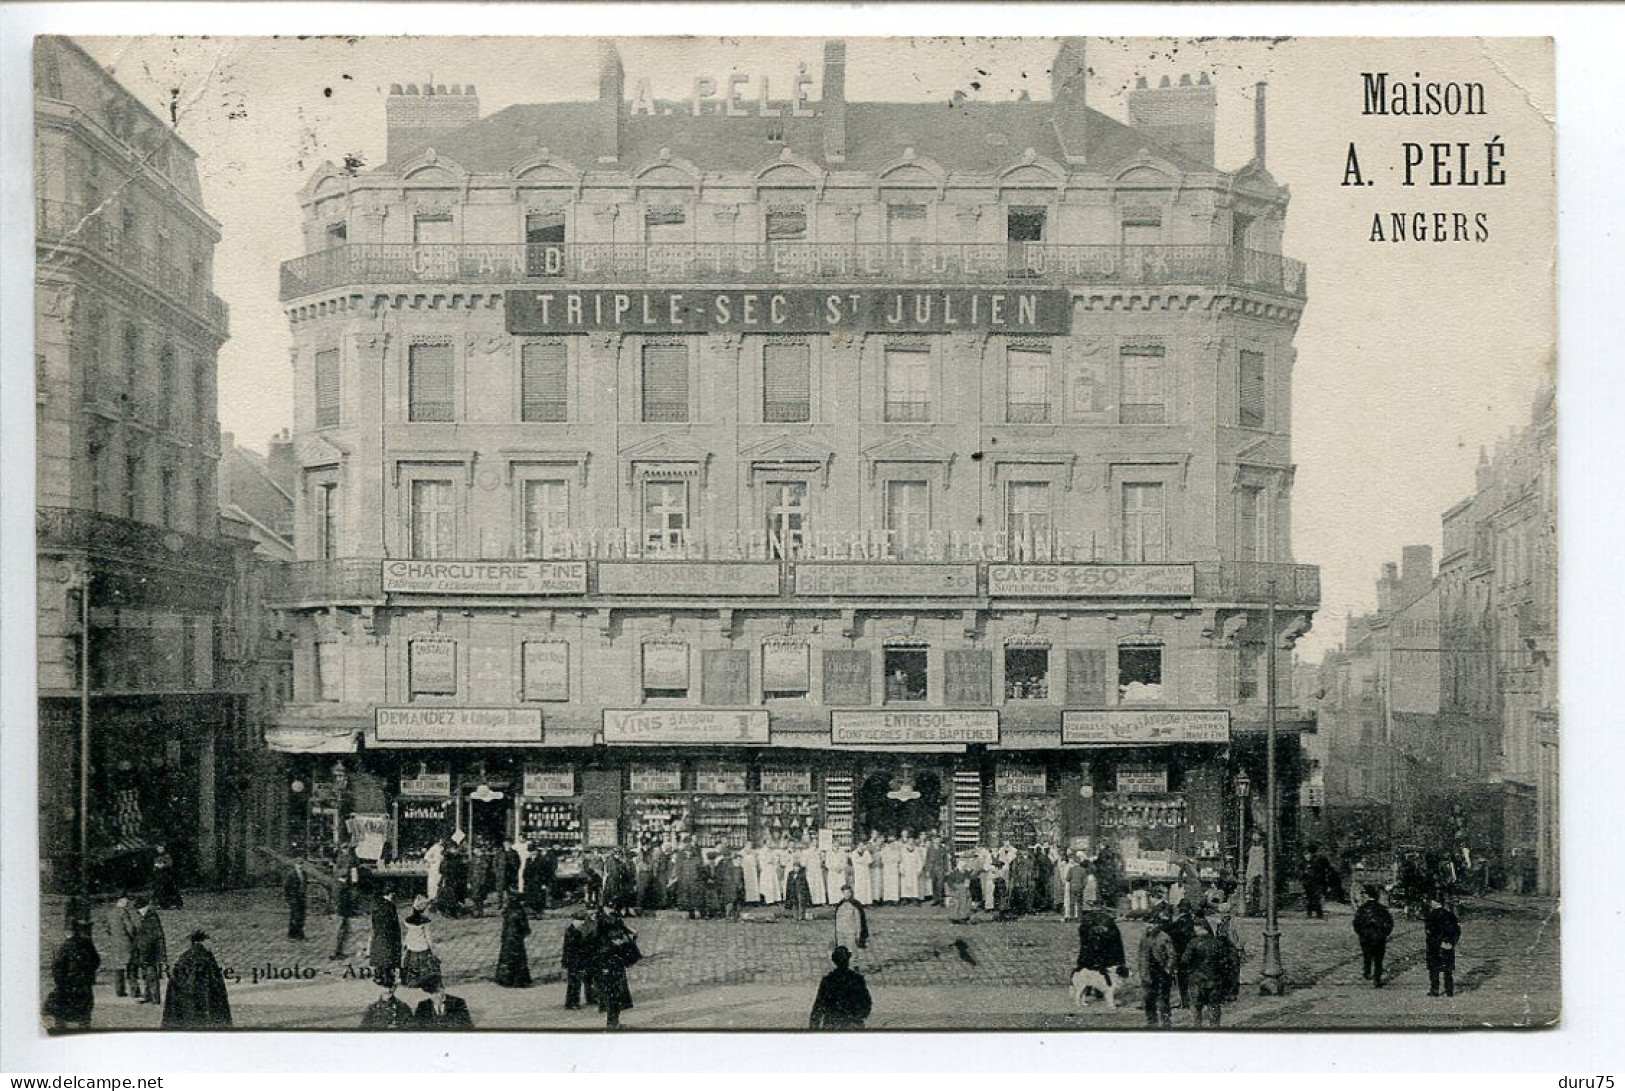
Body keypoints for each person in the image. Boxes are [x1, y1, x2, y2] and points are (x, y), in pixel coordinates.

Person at [161, 930, 232, 1028]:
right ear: (201, 942)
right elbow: (200, 982)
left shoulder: (185, 956)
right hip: (199, 1000)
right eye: (209, 942)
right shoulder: (204, 957)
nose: (211, 945)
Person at [44, 919, 100, 1032]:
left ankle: (61, 1032)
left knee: (62, 1010)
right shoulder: (88, 944)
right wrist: (88, 973)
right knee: (84, 1012)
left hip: (68, 983)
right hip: (84, 983)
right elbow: (96, 961)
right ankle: (84, 1031)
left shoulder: (66, 946)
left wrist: (59, 981)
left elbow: (58, 966)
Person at [590, 908, 641, 1029]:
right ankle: (612, 1023)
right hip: (607, 967)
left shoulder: (614, 921)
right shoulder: (602, 928)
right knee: (612, 996)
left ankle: (614, 1022)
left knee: (617, 996)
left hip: (615, 965)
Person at [1074, 905, 1127, 1009]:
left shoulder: (1091, 920)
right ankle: (1092, 990)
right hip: (1097, 951)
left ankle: (1095, 990)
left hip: (1095, 951)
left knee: (1097, 972)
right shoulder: (1105, 920)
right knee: (1093, 972)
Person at [808, 946, 873, 1030]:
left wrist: (814, 1027)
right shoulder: (857, 979)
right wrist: (859, 1016)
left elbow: (819, 1005)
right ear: (848, 960)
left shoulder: (828, 980)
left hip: (832, 1023)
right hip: (853, 1023)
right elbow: (866, 1002)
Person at [1182, 918, 1229, 1027]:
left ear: (1198, 928)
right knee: (1214, 1008)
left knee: (1196, 1010)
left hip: (1197, 980)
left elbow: (1185, 960)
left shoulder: (1193, 943)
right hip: (1214, 980)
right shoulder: (1217, 943)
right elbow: (1225, 962)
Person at [1137, 918, 1177, 1029]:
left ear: (1157, 924)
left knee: (1163, 1000)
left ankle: (1166, 1023)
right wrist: (1141, 970)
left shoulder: (1164, 937)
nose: (1149, 926)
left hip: (1161, 972)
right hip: (1147, 973)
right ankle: (1151, 1022)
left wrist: (1168, 969)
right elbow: (1141, 955)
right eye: (1147, 923)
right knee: (1148, 998)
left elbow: (1172, 955)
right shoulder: (1144, 937)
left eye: (1152, 924)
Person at [1353, 885, 1395, 988]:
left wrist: (1361, 933)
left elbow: (1356, 923)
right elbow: (1390, 923)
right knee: (1378, 959)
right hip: (1379, 937)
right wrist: (1384, 934)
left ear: (1367, 896)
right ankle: (1377, 978)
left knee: (1367, 955)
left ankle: (1367, 972)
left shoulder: (1362, 909)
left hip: (1366, 936)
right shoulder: (1382, 909)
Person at [399, 895, 440, 990]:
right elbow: (428, 936)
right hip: (422, 946)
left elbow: (408, 935)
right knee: (425, 966)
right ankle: (426, 981)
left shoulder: (408, 921)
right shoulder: (425, 922)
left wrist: (405, 944)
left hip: (412, 946)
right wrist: (432, 947)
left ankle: (411, 980)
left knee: (411, 965)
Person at [1424, 895, 1461, 998]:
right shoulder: (1450, 915)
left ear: (1435, 903)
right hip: (1447, 945)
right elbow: (1457, 931)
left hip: (1434, 946)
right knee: (1447, 970)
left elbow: (1429, 932)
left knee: (1434, 970)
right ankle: (1449, 990)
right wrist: (1451, 942)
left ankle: (1434, 990)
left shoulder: (1431, 916)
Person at [103, 894, 138, 999]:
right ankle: (134, 990)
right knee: (131, 966)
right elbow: (130, 928)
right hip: (126, 942)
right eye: (126, 900)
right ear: (121, 900)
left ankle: (119, 990)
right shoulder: (123, 912)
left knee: (118, 967)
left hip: (115, 943)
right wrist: (134, 937)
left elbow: (107, 929)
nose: (128, 902)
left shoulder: (110, 913)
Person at [133, 897, 166, 1005]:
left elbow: (156, 937)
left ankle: (155, 999)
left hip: (150, 951)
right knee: (146, 975)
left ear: (145, 907)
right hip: (143, 951)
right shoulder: (144, 917)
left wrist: (160, 955)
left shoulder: (151, 917)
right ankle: (148, 996)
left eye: (140, 909)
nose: (138, 911)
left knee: (152, 976)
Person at [331, 842, 361, 960]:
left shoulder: (346, 859)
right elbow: (354, 880)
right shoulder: (341, 885)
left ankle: (339, 950)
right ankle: (337, 952)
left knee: (344, 928)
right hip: (340, 908)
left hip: (342, 906)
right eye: (344, 848)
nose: (346, 850)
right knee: (341, 928)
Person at [1164, 902, 1197, 1009]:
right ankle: (1192, 1000)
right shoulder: (1192, 921)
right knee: (1191, 978)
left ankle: (1185, 1001)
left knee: (1182, 979)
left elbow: (1168, 931)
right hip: (1192, 953)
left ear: (1180, 910)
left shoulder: (1179, 922)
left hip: (1181, 954)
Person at [367, 889, 403, 986]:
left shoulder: (376, 905)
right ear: (390, 894)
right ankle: (388, 977)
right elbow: (395, 922)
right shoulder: (391, 906)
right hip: (389, 933)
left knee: (380, 954)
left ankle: (378, 976)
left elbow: (373, 921)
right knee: (389, 956)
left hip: (378, 933)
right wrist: (397, 934)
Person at [495, 894, 532, 987]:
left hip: (507, 939)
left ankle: (505, 979)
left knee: (506, 958)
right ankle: (519, 980)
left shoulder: (507, 913)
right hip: (517, 939)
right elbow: (525, 928)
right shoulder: (519, 913)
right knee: (519, 959)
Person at [562, 912, 593, 1010]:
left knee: (576, 982)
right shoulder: (571, 931)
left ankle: (573, 1002)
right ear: (575, 920)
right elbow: (570, 948)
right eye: (580, 920)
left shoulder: (576, 931)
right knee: (574, 983)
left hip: (577, 960)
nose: (582, 922)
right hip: (573, 960)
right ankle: (572, 1002)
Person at [833, 885, 870, 955]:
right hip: (841, 931)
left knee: (852, 950)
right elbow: (837, 919)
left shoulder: (856, 904)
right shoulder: (840, 904)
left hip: (851, 931)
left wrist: (859, 933)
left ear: (851, 893)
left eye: (848, 893)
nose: (846, 895)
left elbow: (860, 920)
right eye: (845, 893)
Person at [151, 844, 183, 909]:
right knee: (159, 889)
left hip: (167, 876)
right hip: (160, 876)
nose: (159, 850)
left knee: (169, 889)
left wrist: (162, 865)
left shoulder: (167, 855)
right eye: (158, 848)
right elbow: (155, 865)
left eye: (161, 848)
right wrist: (157, 866)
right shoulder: (156, 856)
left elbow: (169, 863)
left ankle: (173, 903)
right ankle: (160, 903)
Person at [283, 859, 309, 940]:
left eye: (301, 864)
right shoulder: (291, 874)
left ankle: (300, 934)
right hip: (294, 898)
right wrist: (288, 898)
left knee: (302, 916)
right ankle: (292, 934)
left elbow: (305, 885)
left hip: (302, 898)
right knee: (295, 916)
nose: (300, 866)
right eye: (298, 864)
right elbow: (286, 887)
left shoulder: (304, 874)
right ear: (295, 865)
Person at [523, 843, 550, 916]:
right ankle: (533, 911)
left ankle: (539, 912)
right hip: (530, 882)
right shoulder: (528, 860)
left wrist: (544, 883)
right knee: (531, 897)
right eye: (530, 851)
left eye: (533, 851)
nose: (532, 853)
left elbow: (545, 872)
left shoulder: (541, 860)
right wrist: (525, 880)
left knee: (539, 897)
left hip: (539, 882)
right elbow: (526, 871)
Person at [784, 856, 813, 921]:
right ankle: (795, 916)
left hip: (800, 891)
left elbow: (805, 885)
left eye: (797, 867)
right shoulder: (791, 874)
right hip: (793, 891)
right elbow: (789, 883)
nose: (796, 868)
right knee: (794, 904)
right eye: (795, 867)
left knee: (801, 903)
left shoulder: (802, 875)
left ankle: (801, 916)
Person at [1244, 833, 1266, 917]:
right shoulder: (1253, 849)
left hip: (1258, 872)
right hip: (1254, 871)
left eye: (1257, 839)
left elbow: (1260, 862)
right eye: (1255, 839)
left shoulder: (1260, 849)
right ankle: (1253, 909)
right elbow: (1251, 861)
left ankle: (1260, 909)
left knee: (1259, 890)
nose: (1256, 840)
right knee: (1252, 890)